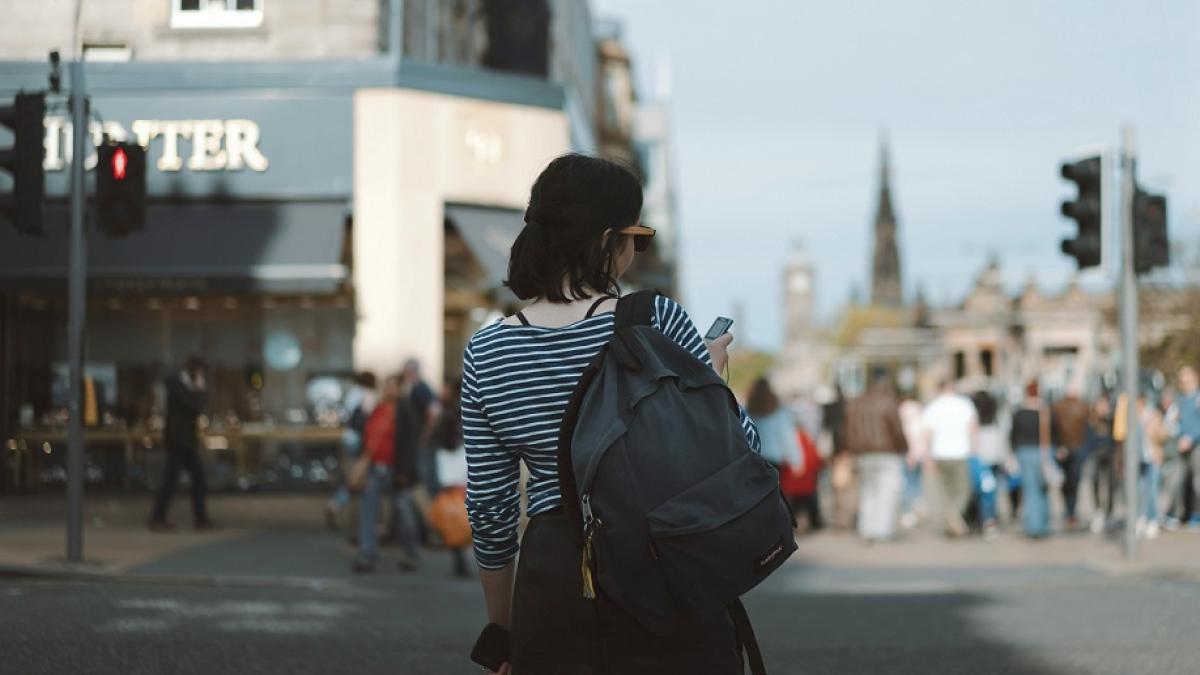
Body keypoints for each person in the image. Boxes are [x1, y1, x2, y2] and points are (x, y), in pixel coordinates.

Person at [462, 154, 761, 674]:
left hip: (552, 583)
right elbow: (742, 450)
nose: (635, 251)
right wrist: (711, 380)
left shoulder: (487, 351)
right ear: (607, 241)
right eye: (636, 236)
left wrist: (505, 627)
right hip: (664, 569)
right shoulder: (654, 320)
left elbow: (490, 507)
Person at [352, 374, 422, 573]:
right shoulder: (375, 408)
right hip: (375, 468)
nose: (389, 390)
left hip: (396, 470)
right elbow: (357, 426)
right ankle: (367, 554)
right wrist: (362, 409)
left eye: (393, 387)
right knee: (368, 512)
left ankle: (411, 553)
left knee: (403, 512)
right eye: (386, 386)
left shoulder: (405, 410)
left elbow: (410, 443)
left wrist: (405, 471)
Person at [149, 357, 213, 532]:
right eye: (200, 372)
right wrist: (200, 388)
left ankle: (198, 518)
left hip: (186, 442)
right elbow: (195, 406)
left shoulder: (183, 386)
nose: (201, 376)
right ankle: (158, 518)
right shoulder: (176, 384)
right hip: (178, 442)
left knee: (194, 478)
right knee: (172, 481)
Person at [843, 373, 908, 542]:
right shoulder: (888, 402)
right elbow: (897, 430)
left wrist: (852, 449)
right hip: (888, 453)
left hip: (863, 454)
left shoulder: (857, 403)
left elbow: (849, 429)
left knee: (868, 491)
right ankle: (883, 530)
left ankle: (867, 528)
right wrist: (904, 448)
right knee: (887, 492)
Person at [920, 379, 978, 537]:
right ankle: (955, 514)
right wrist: (975, 450)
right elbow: (972, 428)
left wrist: (926, 456)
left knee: (945, 490)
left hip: (940, 453)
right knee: (963, 489)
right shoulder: (964, 405)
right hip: (961, 452)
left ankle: (951, 518)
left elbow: (926, 434)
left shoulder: (933, 407)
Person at [326, 371, 378, 530]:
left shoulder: (352, 392)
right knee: (360, 478)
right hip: (361, 440)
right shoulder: (368, 394)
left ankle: (338, 504)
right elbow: (368, 418)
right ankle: (339, 505)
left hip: (348, 438)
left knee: (353, 476)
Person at [1010, 380, 1053, 539]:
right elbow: (1054, 432)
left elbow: (1013, 435)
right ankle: (1042, 524)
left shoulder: (1019, 413)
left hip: (1025, 453)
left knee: (1030, 490)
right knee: (1043, 489)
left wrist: (1013, 453)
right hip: (1044, 452)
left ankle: (1034, 526)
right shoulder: (1045, 412)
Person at [1052, 385, 1091, 530]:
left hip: (1064, 449)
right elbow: (1088, 429)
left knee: (1066, 481)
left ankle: (1069, 512)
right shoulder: (1084, 406)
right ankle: (1071, 512)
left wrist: (1059, 445)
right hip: (1078, 448)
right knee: (1074, 482)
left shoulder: (1057, 406)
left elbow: (1053, 428)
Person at [971, 390, 1009, 538]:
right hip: (993, 455)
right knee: (990, 490)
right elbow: (1004, 434)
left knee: (977, 490)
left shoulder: (972, 414)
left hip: (977, 456)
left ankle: (979, 519)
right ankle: (989, 520)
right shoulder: (996, 416)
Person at [746, 377, 803, 473]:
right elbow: (787, 436)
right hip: (775, 460)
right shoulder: (778, 410)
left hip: (753, 459)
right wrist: (796, 460)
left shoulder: (748, 410)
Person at [1136, 393, 1168, 539]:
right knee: (1140, 491)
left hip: (1153, 457)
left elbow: (1164, 434)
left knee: (1152, 491)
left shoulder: (1153, 415)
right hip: (1138, 459)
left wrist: (1153, 430)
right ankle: (1141, 517)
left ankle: (1153, 519)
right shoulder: (1131, 416)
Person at [1086, 396, 1118, 534]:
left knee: (1111, 484)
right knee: (1095, 482)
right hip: (1095, 455)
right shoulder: (1091, 420)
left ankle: (1109, 513)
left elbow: (1117, 437)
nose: (1103, 408)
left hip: (1110, 455)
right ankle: (1098, 511)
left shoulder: (1112, 420)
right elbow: (1088, 439)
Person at [1173, 366, 1200, 530]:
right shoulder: (1181, 399)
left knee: (1198, 482)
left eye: (1187, 377)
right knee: (1177, 480)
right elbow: (1177, 422)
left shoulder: (1198, 397)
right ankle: (1180, 513)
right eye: (1182, 378)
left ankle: (1197, 514)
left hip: (1196, 445)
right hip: (1182, 445)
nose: (1184, 381)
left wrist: (1190, 437)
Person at [897, 390, 925, 529]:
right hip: (920, 452)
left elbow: (905, 433)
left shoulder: (902, 411)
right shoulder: (920, 410)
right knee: (917, 481)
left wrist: (909, 452)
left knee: (907, 482)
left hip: (908, 452)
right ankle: (917, 503)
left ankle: (908, 511)